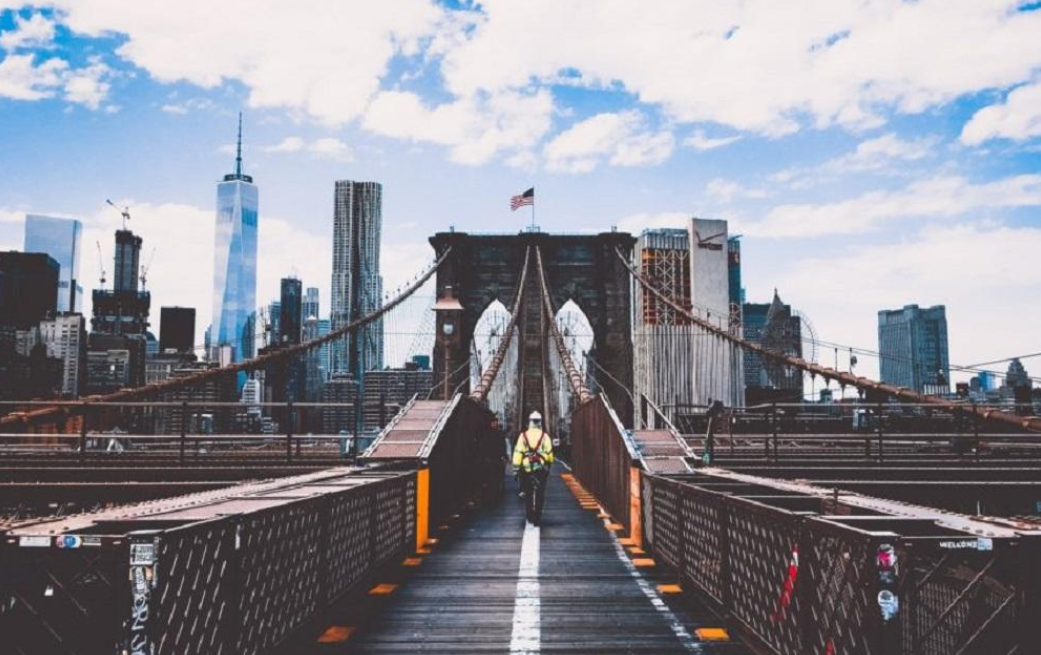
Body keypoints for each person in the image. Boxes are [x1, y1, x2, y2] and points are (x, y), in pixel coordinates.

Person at [512, 410, 554, 526]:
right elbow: (550, 456)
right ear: (540, 422)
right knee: (540, 493)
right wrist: (545, 459)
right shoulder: (545, 436)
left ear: (529, 422)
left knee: (528, 493)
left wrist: (516, 470)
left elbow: (518, 453)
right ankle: (538, 516)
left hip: (526, 468)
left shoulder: (523, 436)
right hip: (540, 468)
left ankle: (530, 515)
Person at [703, 398, 724, 465]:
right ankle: (708, 460)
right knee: (708, 447)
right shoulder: (713, 416)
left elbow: (711, 426)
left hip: (709, 432)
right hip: (709, 432)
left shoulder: (712, 415)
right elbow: (711, 426)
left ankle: (709, 460)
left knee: (709, 446)